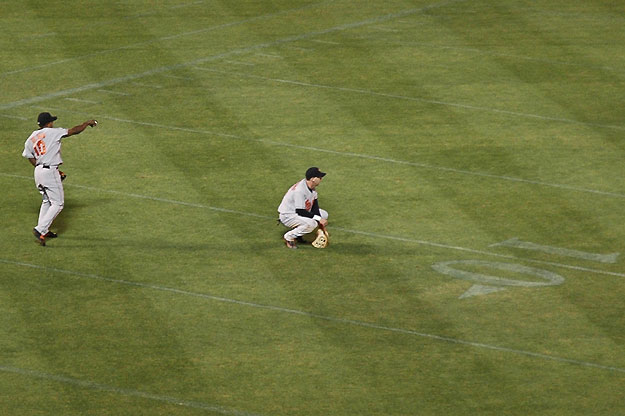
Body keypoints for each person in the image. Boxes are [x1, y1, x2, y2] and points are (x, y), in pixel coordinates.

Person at [22, 112, 98, 246]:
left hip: (38, 171)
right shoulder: (53, 132)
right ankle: (40, 229)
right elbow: (74, 131)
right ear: (48, 123)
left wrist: (41, 164)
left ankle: (44, 229)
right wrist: (86, 123)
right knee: (58, 203)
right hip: (49, 171)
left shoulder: (32, 137)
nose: (53, 123)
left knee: (47, 200)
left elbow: (29, 155)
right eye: (51, 121)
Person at [278, 167, 329, 249]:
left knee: (324, 215)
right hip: (288, 215)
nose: (321, 179)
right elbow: (300, 211)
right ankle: (289, 237)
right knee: (311, 224)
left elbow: (315, 207)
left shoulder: (311, 186)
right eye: (319, 177)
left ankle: (299, 233)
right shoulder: (300, 191)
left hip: (298, 212)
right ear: (312, 179)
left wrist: (321, 224)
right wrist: (318, 220)